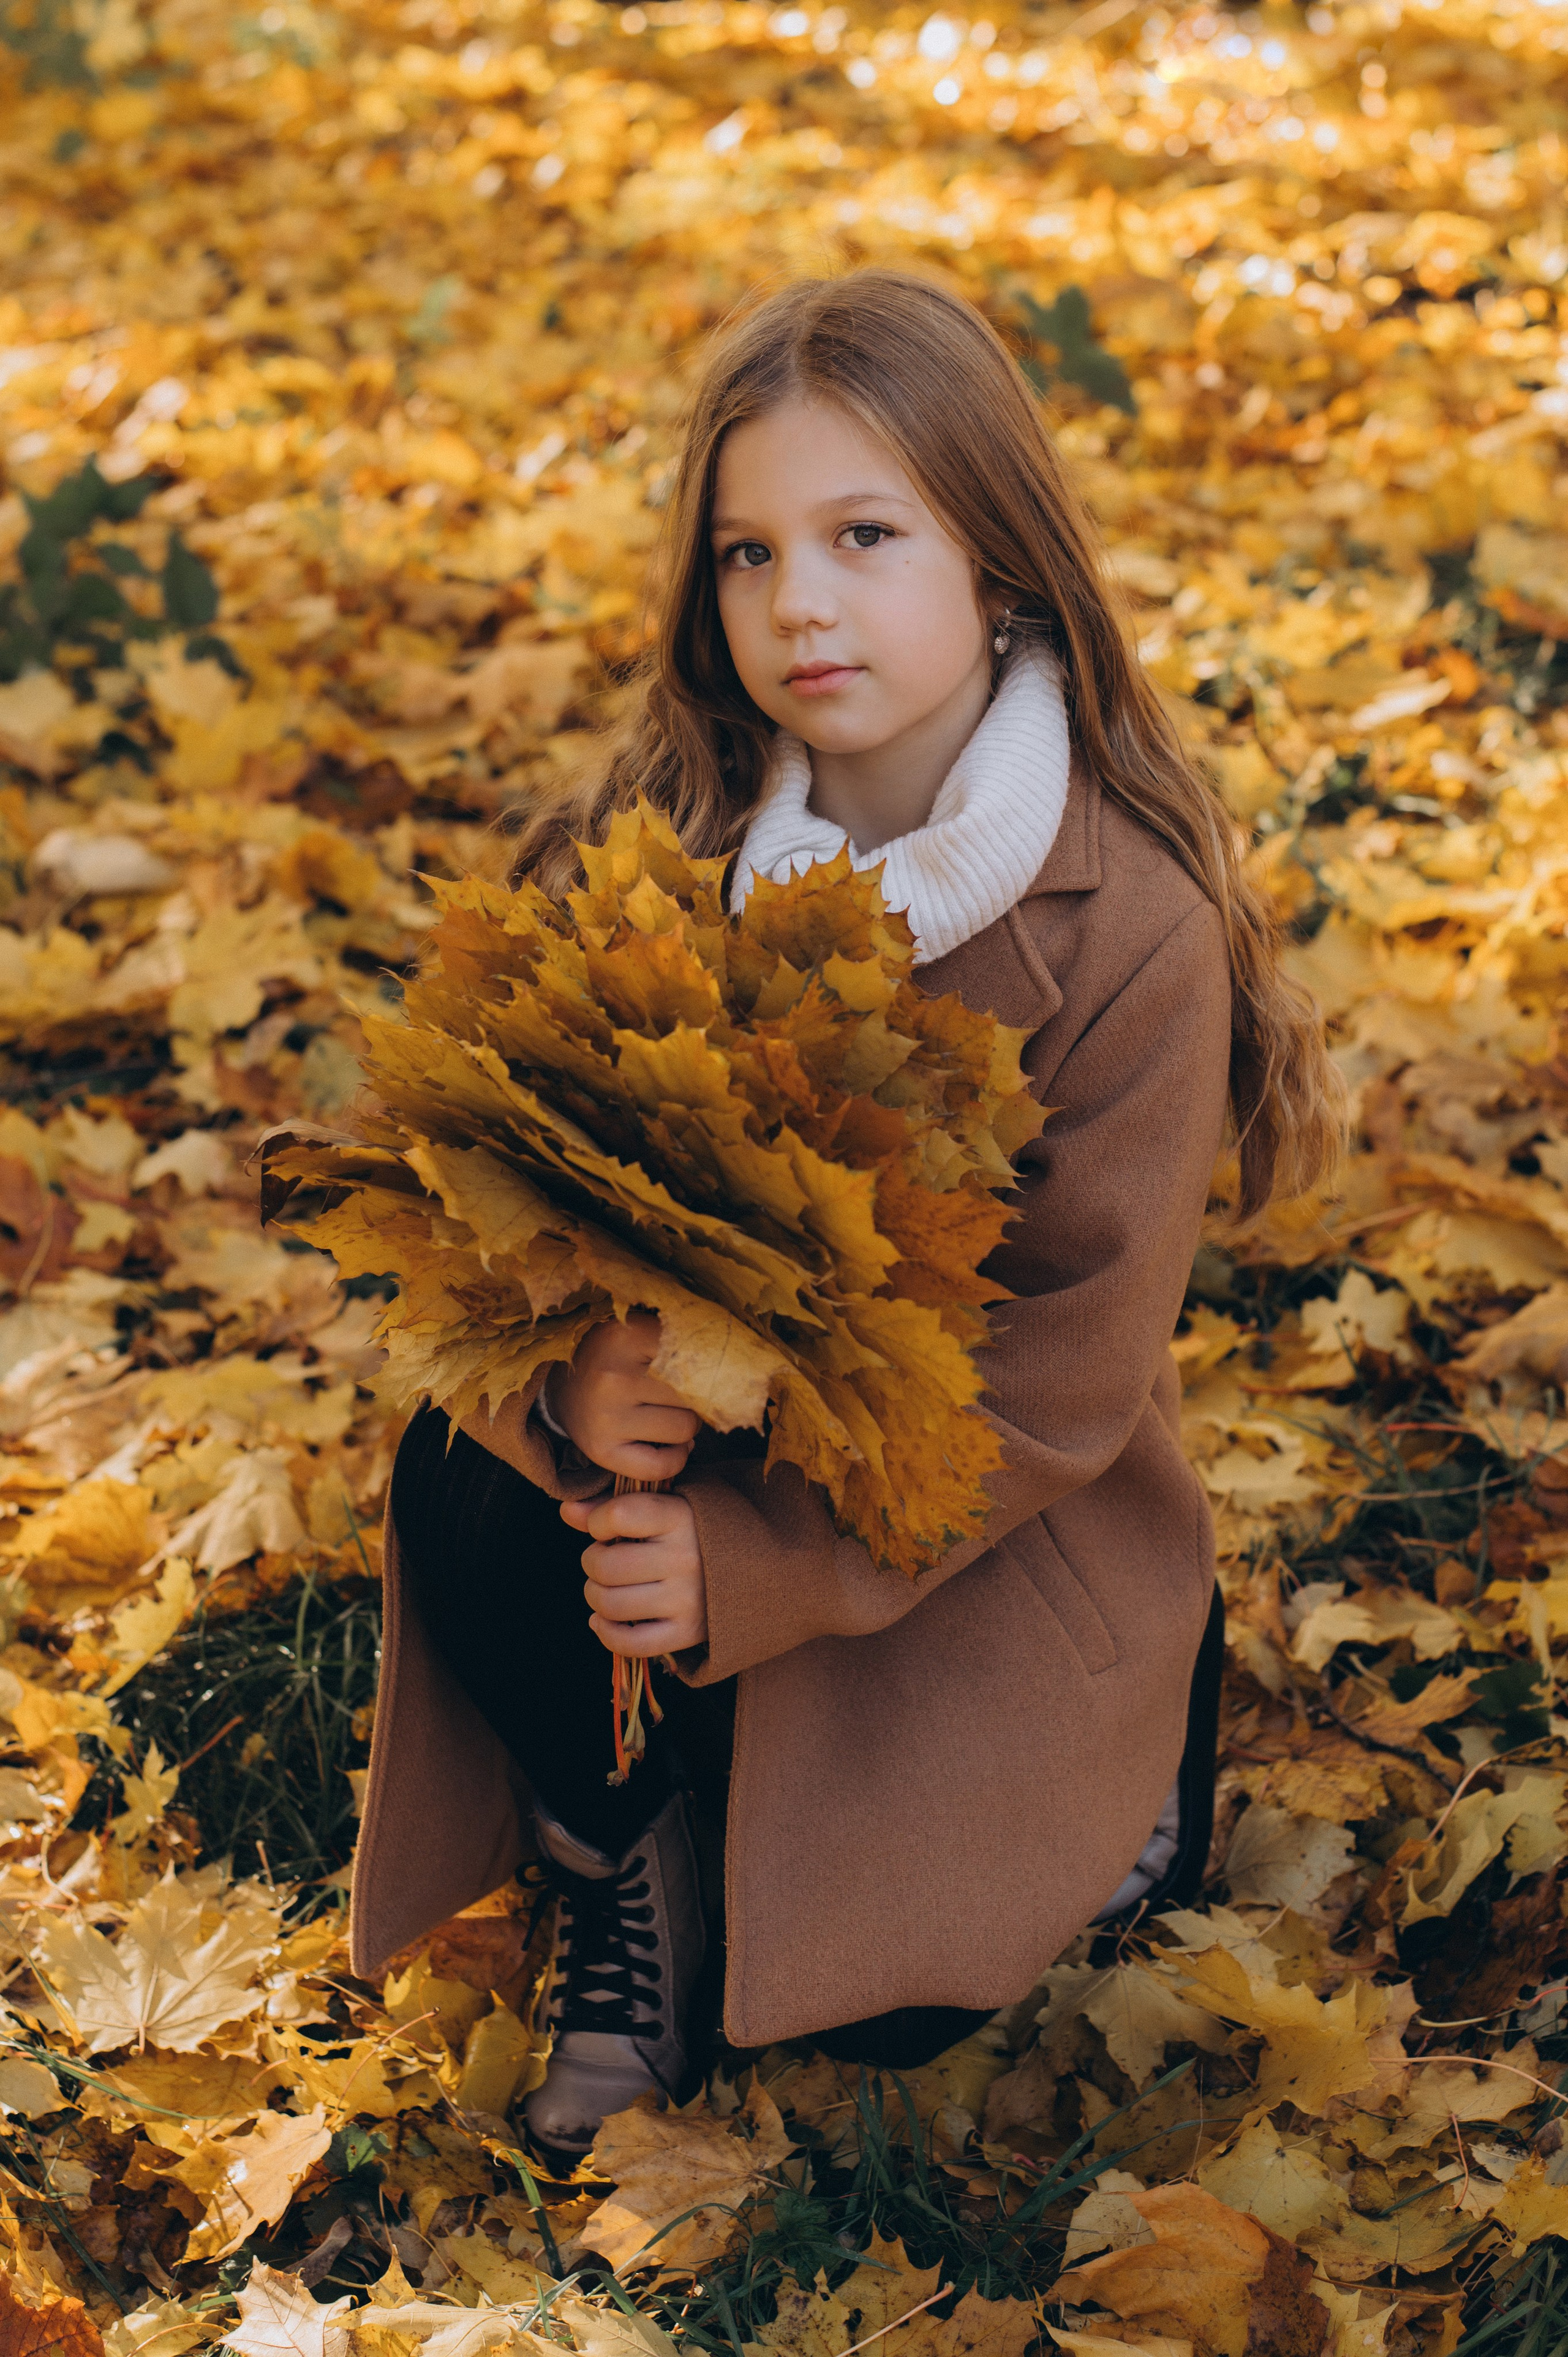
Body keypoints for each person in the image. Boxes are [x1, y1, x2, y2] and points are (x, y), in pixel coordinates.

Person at [349, 270, 1341, 2160]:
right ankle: (628, 1857)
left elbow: (1054, 1389)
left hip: (955, 1538)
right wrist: (577, 1387)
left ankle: (1116, 1765)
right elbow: (461, 1220)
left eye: (863, 537)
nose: (798, 603)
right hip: (672, 1475)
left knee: (890, 2017)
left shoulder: (1126, 929)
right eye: (747, 552)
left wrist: (766, 1572)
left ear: (999, 564)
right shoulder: (654, 851)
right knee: (472, 1485)